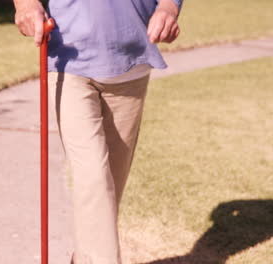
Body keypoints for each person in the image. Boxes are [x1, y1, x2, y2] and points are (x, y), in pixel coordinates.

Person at [13, 0, 184, 263]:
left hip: (131, 63)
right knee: (92, 177)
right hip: (69, 61)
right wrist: (25, 4)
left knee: (107, 193)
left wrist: (169, 8)